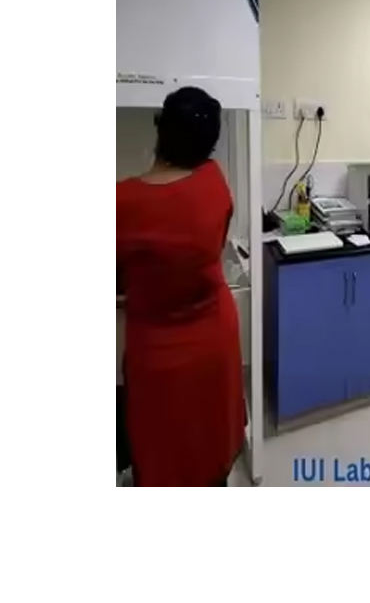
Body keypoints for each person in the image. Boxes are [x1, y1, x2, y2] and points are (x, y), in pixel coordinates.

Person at [117, 87, 245, 486]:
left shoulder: (122, 202)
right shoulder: (214, 182)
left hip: (158, 356)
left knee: (164, 458)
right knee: (210, 450)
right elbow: (213, 244)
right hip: (214, 340)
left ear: (160, 127)